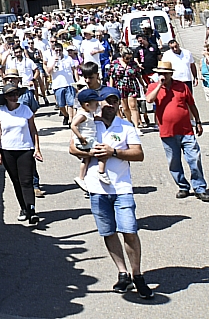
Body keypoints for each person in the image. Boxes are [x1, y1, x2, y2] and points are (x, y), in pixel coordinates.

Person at [70, 86, 152, 298]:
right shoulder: (90, 122)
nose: (110, 105)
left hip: (121, 187)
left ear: (118, 104)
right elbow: (72, 148)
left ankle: (137, 275)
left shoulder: (125, 126)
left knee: (129, 231)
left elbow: (138, 154)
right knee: (108, 232)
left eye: (114, 101)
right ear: (100, 103)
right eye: (106, 101)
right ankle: (122, 273)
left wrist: (113, 152)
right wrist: (91, 152)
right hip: (97, 188)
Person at [146, 58, 209, 200]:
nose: (163, 76)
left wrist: (198, 122)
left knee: (195, 158)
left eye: (166, 73)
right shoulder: (153, 87)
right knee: (174, 161)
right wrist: (159, 85)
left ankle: (199, 188)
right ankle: (183, 186)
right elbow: (149, 100)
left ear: (171, 74)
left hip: (186, 130)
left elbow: (191, 104)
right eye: (160, 73)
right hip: (167, 132)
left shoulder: (181, 86)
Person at [0, 82, 43, 226]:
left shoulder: (25, 109)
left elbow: (33, 130)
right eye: (10, 95)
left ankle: (31, 210)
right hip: (7, 150)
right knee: (16, 181)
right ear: (5, 97)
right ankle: (23, 208)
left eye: (16, 94)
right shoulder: (0, 112)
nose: (14, 97)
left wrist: (37, 148)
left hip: (25, 149)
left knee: (26, 181)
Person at [71, 88, 111, 190]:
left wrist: (101, 119)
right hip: (86, 139)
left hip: (89, 139)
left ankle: (81, 177)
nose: (98, 106)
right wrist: (80, 137)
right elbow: (73, 125)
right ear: (87, 105)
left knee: (86, 159)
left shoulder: (88, 113)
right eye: (96, 104)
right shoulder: (82, 115)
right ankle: (101, 172)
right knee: (102, 151)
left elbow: (92, 119)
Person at [110, 47, 148, 128]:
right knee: (125, 108)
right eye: (127, 58)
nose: (129, 60)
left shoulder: (133, 63)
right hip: (121, 86)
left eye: (130, 58)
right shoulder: (115, 63)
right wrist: (111, 88)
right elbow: (111, 76)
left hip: (132, 85)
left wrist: (144, 86)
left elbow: (138, 76)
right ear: (122, 56)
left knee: (133, 106)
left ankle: (136, 126)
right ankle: (130, 123)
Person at [46, 43, 79, 126]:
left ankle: (71, 120)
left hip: (69, 83)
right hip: (58, 85)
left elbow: (74, 69)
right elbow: (48, 72)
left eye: (60, 50)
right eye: (56, 50)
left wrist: (77, 81)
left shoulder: (68, 58)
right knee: (61, 105)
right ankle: (66, 115)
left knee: (70, 103)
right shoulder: (51, 59)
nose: (58, 52)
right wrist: (54, 62)